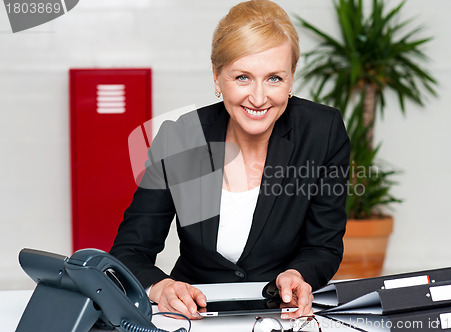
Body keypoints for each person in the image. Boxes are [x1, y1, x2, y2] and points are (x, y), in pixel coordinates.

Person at [110, 0, 350, 321]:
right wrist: (161, 287)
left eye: (275, 78)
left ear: (292, 79)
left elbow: (324, 246)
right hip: (193, 313)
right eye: (242, 77)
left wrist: (298, 274)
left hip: (281, 313)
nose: (259, 97)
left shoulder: (322, 131)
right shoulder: (181, 137)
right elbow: (130, 252)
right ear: (217, 76)